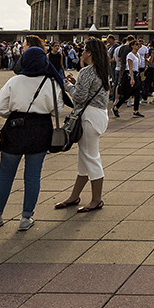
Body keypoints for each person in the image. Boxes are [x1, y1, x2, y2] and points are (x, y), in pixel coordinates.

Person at [0, 45, 70, 231]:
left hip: (15, 130)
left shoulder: (15, 81)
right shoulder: (51, 81)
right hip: (41, 130)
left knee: (5, 177)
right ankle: (26, 217)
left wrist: (16, 112)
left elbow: (0, 108)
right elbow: (57, 110)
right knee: (33, 177)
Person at [56, 38, 112, 212]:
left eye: (84, 50)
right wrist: (76, 84)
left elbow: (80, 98)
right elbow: (89, 92)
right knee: (84, 159)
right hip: (99, 114)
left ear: (89, 53)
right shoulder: (102, 70)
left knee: (91, 158)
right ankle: (74, 196)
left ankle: (96, 199)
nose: (81, 52)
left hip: (88, 117)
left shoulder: (87, 71)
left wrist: (67, 86)